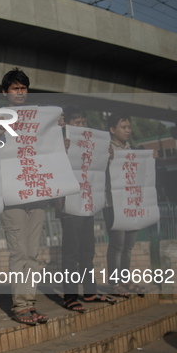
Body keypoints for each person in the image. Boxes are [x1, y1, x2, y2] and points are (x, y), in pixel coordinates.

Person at [0, 68, 48, 326]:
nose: (19, 92)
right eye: (15, 88)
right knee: (19, 253)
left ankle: (30, 303)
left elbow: (50, 151)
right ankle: (19, 305)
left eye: (23, 88)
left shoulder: (39, 119)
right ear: (5, 92)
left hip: (37, 193)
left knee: (33, 253)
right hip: (12, 197)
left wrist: (58, 129)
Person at [57, 106, 116, 312]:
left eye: (83, 122)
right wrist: (61, 150)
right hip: (69, 204)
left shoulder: (89, 144)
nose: (81, 126)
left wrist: (106, 156)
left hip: (87, 202)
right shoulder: (60, 142)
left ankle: (90, 291)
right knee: (71, 253)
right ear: (67, 124)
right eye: (77, 122)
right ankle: (70, 296)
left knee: (87, 251)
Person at [104, 112, 157, 298]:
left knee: (128, 246)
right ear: (112, 130)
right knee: (116, 246)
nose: (128, 130)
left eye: (129, 127)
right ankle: (115, 283)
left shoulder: (130, 149)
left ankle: (125, 280)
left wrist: (150, 159)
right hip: (113, 205)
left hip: (130, 204)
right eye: (123, 127)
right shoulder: (106, 149)